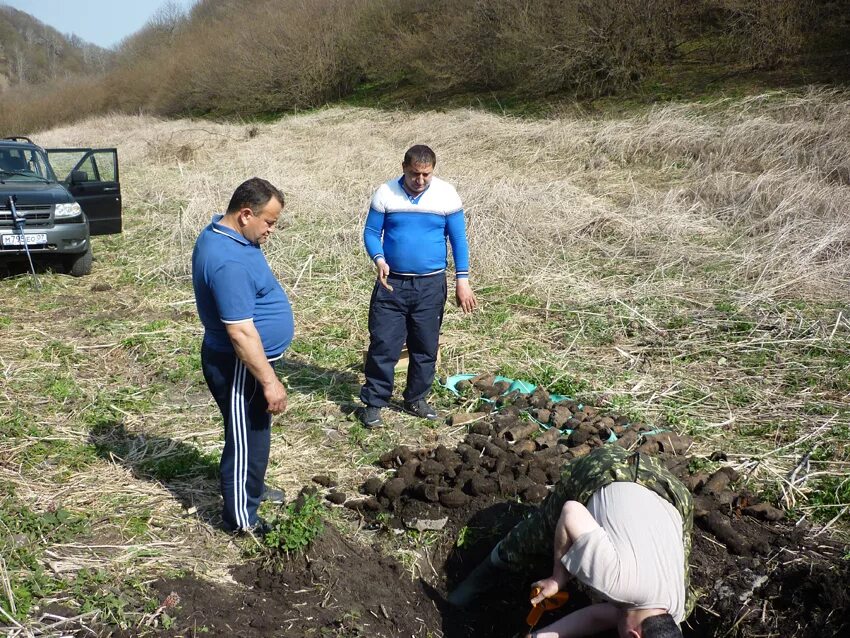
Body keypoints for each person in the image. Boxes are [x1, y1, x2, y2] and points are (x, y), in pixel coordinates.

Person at [447, 445, 694, 638]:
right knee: (540, 531)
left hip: (674, 494)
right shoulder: (613, 580)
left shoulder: (675, 611)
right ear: (634, 635)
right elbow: (571, 512)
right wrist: (558, 577)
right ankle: (482, 575)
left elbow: (606, 616)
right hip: (609, 470)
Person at [191, 177, 293, 534]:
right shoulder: (228, 261)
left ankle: (252, 488)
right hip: (239, 366)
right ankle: (240, 519)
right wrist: (269, 381)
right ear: (246, 214)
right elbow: (240, 332)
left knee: (255, 431)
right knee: (246, 436)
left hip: (246, 363)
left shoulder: (231, 232)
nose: (271, 231)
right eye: (269, 222)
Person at [359, 144, 476, 428]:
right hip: (392, 284)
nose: (420, 180)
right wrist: (379, 259)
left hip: (431, 285)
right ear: (404, 167)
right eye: (415, 174)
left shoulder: (446, 194)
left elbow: (458, 239)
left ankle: (416, 399)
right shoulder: (385, 193)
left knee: (425, 345)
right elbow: (372, 232)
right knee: (384, 344)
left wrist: (463, 280)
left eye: (426, 175)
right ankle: (375, 402)